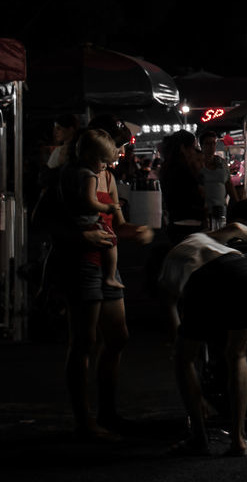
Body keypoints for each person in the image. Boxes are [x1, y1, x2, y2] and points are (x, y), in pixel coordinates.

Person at [44, 115, 153, 440]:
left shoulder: (106, 176)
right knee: (83, 342)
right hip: (79, 264)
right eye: (115, 149)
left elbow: (117, 223)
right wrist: (80, 237)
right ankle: (85, 420)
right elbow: (43, 219)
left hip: (105, 263)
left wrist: (139, 231)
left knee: (117, 337)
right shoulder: (70, 175)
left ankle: (108, 411)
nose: (117, 156)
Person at [160, 198, 247, 457]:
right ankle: (238, 440)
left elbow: (172, 315)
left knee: (183, 360)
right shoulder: (204, 238)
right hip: (243, 272)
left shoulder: (169, 264)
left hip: (206, 278)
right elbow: (236, 227)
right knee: (237, 355)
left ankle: (199, 437)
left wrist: (183, 349)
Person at [65, 129, 126, 291]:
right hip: (86, 261)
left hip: (87, 252)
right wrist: (108, 208)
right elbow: (90, 202)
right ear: (91, 155)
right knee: (112, 241)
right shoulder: (89, 176)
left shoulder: (68, 171)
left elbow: (122, 223)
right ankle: (111, 276)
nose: (105, 165)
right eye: (103, 161)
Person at [161, 130, 205, 243]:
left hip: (175, 223)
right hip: (191, 225)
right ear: (183, 148)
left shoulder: (167, 167)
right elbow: (198, 194)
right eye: (192, 147)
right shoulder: (183, 170)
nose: (194, 152)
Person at [198, 129, 240, 226]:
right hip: (204, 210)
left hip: (221, 208)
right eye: (208, 144)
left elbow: (229, 184)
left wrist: (237, 203)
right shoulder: (198, 164)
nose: (211, 147)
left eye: (213, 143)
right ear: (202, 145)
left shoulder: (221, 162)